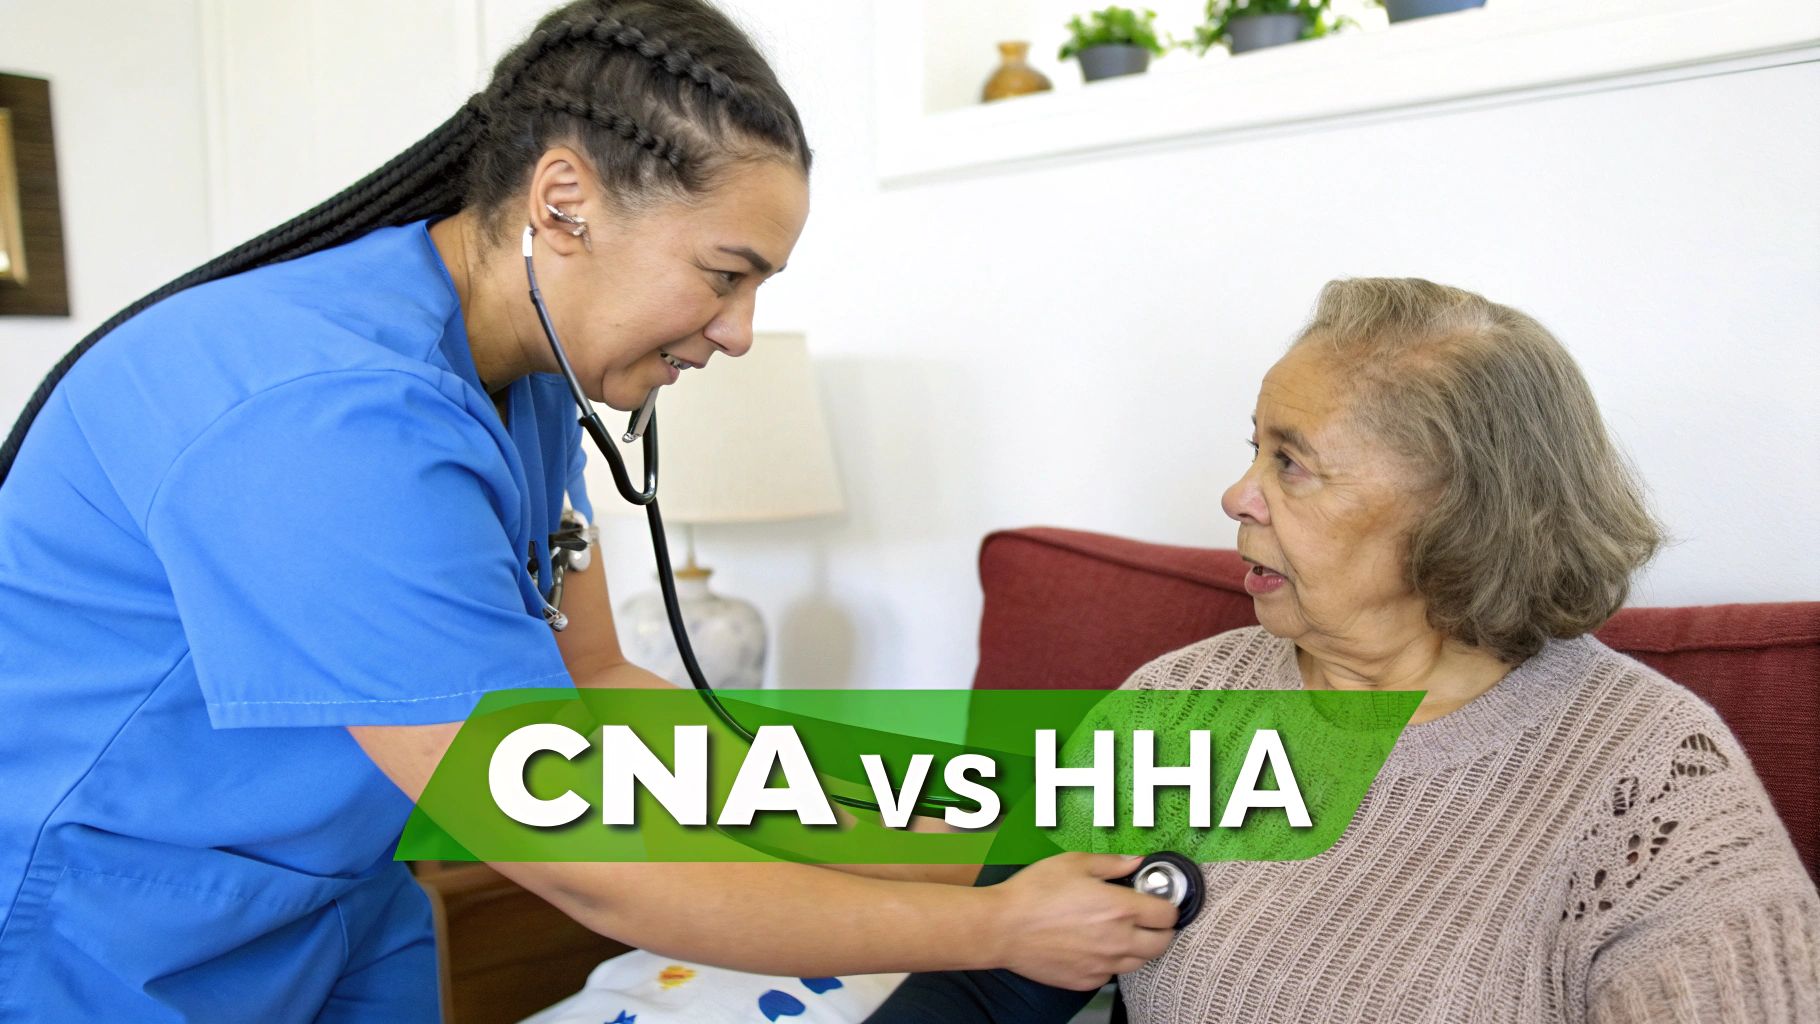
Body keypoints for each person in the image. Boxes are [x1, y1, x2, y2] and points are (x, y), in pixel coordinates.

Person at [0, 2, 1177, 1020]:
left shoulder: (527, 380)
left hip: (339, 908)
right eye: (724, 274)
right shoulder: (321, 421)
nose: (738, 332)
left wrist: (968, 844)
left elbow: (605, 694)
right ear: (563, 202)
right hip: (105, 931)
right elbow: (586, 857)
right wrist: (994, 927)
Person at [868, 278, 1820, 1023]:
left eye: (1292, 462)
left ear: (1459, 514)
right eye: (1254, 450)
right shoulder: (1182, 705)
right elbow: (994, 987)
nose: (1238, 496)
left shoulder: (1651, 783)